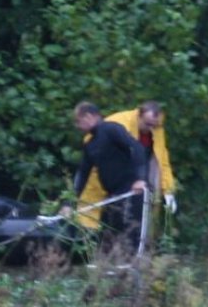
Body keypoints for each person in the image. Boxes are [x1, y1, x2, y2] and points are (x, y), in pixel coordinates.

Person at [77, 101, 177, 232]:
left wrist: (167, 190)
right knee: (109, 228)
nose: (150, 129)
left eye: (154, 126)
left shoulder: (156, 127)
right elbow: (90, 166)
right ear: (139, 116)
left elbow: (161, 159)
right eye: (147, 124)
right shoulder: (116, 125)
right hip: (115, 186)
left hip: (137, 186)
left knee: (136, 229)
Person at [67, 101, 148, 254]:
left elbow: (136, 148)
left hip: (131, 190)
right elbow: (83, 174)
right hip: (112, 195)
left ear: (89, 116)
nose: (77, 126)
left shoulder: (111, 129)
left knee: (131, 233)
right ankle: (108, 271)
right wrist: (69, 203)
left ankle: (133, 270)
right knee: (107, 232)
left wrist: (140, 178)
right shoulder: (90, 144)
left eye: (78, 121)